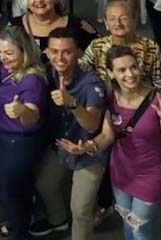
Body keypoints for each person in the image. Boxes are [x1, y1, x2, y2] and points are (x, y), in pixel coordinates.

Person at [62, 47, 161, 240]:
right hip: (121, 172)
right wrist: (88, 147)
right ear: (110, 73)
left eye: (133, 67)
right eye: (122, 70)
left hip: (151, 174)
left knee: (139, 227)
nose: (130, 74)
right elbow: (107, 136)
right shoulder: (111, 99)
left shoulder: (159, 99)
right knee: (127, 221)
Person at [30, 27, 107, 239]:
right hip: (61, 147)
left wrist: (71, 103)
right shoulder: (45, 73)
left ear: (78, 53)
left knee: (80, 210)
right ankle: (58, 221)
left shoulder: (92, 82)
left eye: (67, 51)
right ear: (46, 52)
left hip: (88, 153)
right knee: (44, 185)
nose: (60, 57)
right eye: (54, 51)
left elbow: (92, 124)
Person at [0, 27, 47, 239]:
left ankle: (17, 233)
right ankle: (14, 226)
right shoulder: (9, 69)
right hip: (6, 140)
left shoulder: (31, 81)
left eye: (9, 53)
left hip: (18, 144)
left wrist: (21, 111)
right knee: (17, 191)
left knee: (10, 192)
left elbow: (33, 114)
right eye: (0, 52)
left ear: (24, 50)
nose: (3, 57)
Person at [81, 0, 161, 89]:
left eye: (124, 18)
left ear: (134, 20)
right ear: (106, 23)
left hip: (140, 98)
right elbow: (82, 68)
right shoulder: (96, 46)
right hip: (104, 98)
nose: (118, 23)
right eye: (112, 19)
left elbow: (159, 83)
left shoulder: (150, 47)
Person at [10, 0, 97, 55]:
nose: (39, 0)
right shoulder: (15, 26)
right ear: (27, 2)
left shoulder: (77, 26)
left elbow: (99, 50)